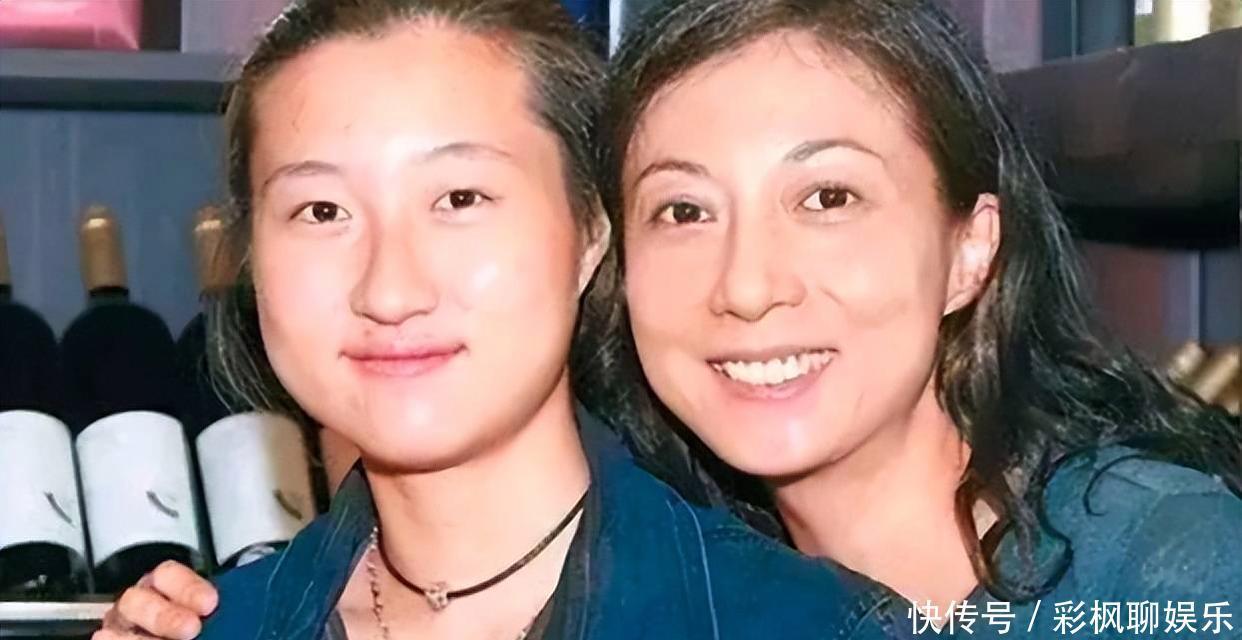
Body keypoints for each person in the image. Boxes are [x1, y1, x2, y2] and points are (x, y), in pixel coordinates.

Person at [99, 0, 1242, 637]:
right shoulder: (675, 516)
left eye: (828, 197)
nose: (747, 284)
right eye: (685, 209)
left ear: (970, 245)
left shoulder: (1164, 571)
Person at [91, 1, 903, 639]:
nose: (390, 290)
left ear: (589, 234)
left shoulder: (804, 624)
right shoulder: (210, 626)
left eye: (460, 198)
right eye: (322, 210)